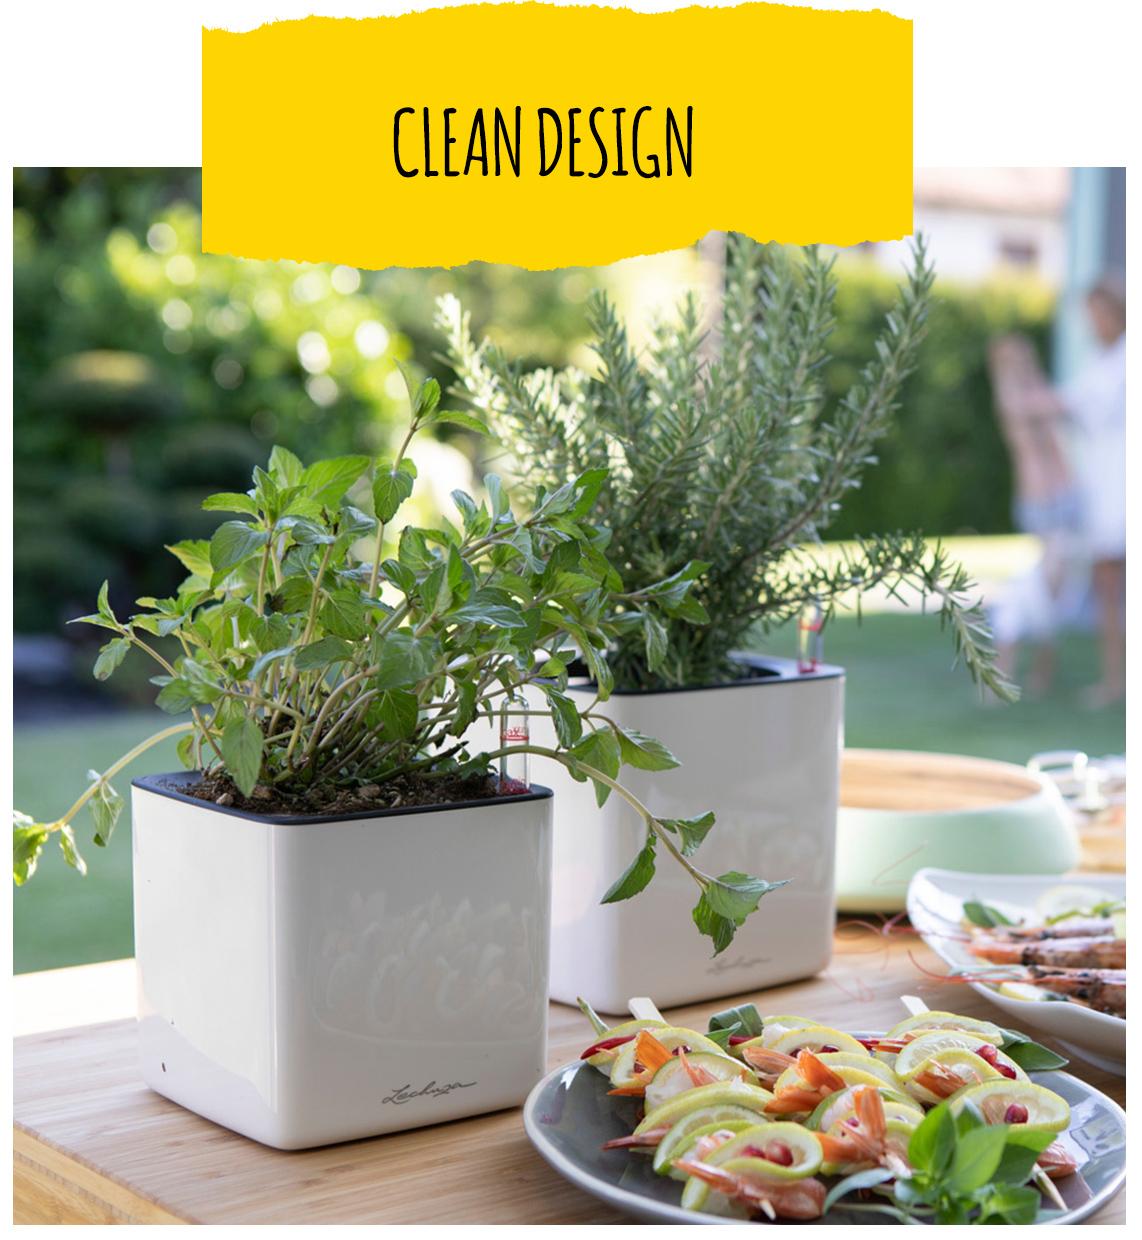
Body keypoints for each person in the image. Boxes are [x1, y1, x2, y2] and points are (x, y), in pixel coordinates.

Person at [986, 334, 1083, 698]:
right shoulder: (1013, 398)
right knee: (1040, 588)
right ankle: (1007, 666)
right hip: (1040, 505)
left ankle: (1032, 671)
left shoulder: (1033, 391)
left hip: (1061, 499)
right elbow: (1044, 407)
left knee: (1055, 589)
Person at [1062, 272, 1126, 706]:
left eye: (1098, 313)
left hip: (1123, 487)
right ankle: (1114, 678)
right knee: (1107, 589)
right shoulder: (1098, 362)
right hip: (1104, 488)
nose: (1092, 322)